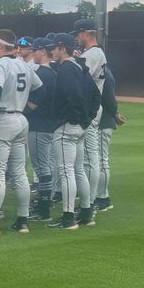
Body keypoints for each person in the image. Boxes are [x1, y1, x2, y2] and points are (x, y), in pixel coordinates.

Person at [0, 29, 44, 235]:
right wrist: (26, 107)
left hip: (3, 120)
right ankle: (22, 220)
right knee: (19, 172)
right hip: (20, 120)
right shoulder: (23, 63)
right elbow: (41, 90)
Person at [47, 33, 101, 230]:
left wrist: (78, 119)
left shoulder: (67, 69)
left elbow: (75, 96)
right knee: (77, 170)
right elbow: (96, 95)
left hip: (67, 126)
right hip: (79, 127)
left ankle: (68, 217)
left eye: (54, 47)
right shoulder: (81, 67)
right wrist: (87, 120)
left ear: (62, 47)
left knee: (66, 171)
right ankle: (87, 213)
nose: (52, 50)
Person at [74, 18, 107, 218]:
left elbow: (80, 78)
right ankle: (89, 200)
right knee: (88, 156)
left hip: (90, 108)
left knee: (90, 157)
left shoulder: (94, 53)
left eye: (78, 33)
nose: (77, 37)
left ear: (87, 33)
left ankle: (91, 201)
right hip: (92, 106)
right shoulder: (95, 53)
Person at [26, 38, 58, 221]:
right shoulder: (53, 73)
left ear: (43, 51)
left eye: (35, 50)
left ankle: (44, 208)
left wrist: (24, 111)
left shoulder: (43, 74)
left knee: (42, 168)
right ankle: (45, 202)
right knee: (45, 166)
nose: (33, 53)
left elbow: (37, 100)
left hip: (39, 124)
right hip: (49, 123)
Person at [95, 66, 125, 212]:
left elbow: (109, 98)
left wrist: (114, 114)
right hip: (102, 121)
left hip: (103, 122)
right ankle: (99, 196)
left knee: (101, 160)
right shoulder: (103, 71)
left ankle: (103, 198)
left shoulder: (104, 73)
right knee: (98, 161)